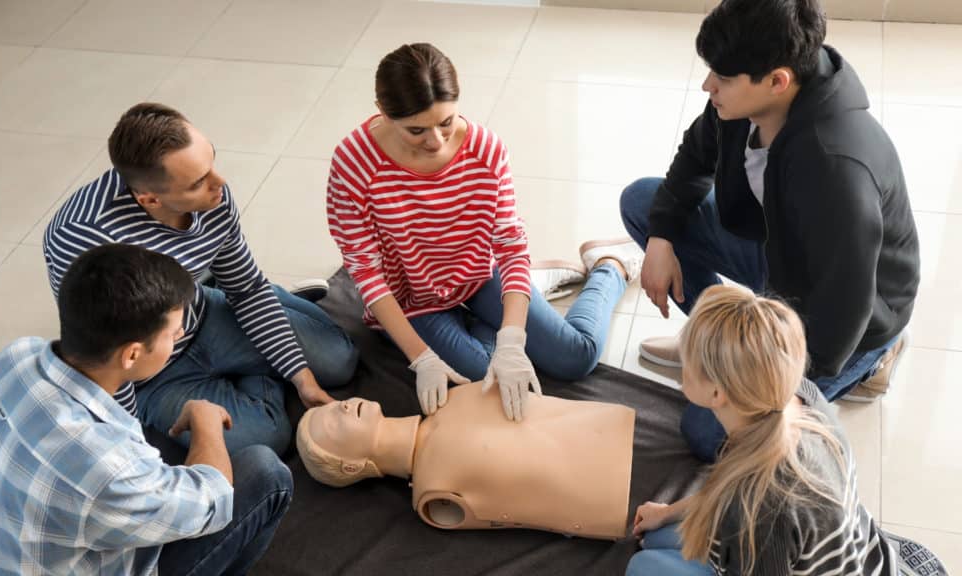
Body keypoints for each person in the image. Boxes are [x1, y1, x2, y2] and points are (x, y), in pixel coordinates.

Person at [620, 0, 920, 459]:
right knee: (645, 203)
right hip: (781, 251)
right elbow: (695, 158)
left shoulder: (836, 168)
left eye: (720, 78)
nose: (708, 85)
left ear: (778, 81)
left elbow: (845, 308)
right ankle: (716, 348)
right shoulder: (746, 91)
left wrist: (779, 382)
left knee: (709, 433)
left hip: (850, 319)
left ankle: (876, 360)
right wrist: (661, 238)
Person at [326, 42, 643, 421]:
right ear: (383, 112)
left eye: (446, 122)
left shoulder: (485, 150)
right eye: (416, 130)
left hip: (478, 274)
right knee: (482, 379)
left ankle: (610, 266)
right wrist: (421, 357)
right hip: (413, 300)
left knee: (576, 359)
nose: (436, 141)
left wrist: (512, 339)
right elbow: (365, 271)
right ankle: (530, 288)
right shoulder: (353, 162)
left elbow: (509, 246)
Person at [0, 244, 291, 575]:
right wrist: (207, 423)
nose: (183, 333)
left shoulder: (16, 356)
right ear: (131, 355)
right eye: (174, 333)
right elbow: (211, 503)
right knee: (265, 472)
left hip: (9, 554)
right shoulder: (108, 466)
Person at [44, 102, 358, 455]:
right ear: (150, 198)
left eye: (212, 162)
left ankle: (236, 307)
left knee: (339, 362)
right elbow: (109, 362)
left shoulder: (213, 196)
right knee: (266, 438)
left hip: (199, 312)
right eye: (197, 182)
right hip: (153, 372)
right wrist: (133, 445)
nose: (219, 183)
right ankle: (257, 356)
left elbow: (247, 289)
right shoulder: (81, 240)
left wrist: (302, 378)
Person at [625, 285, 945, 576]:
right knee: (657, 537)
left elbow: (753, 512)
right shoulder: (802, 396)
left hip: (778, 553)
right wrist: (668, 512)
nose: (681, 363)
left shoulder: (760, 504)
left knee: (643, 566)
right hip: (856, 558)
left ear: (717, 393)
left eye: (688, 358)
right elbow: (729, 493)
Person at [296, 381, 635, 540]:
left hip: (609, 425)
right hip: (613, 502)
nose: (339, 407)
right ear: (352, 466)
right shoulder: (433, 495)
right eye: (330, 422)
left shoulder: (449, 398)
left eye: (330, 405)